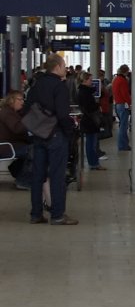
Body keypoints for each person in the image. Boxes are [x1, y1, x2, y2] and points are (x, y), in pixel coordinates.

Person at [25, 54, 77, 225]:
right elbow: (62, 114)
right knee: (57, 175)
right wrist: (70, 131)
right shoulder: (59, 86)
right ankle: (57, 215)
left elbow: (26, 108)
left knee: (37, 175)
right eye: (64, 65)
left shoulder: (37, 84)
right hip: (55, 135)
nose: (65, 68)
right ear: (57, 67)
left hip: (39, 134)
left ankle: (36, 214)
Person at [0, 90, 33, 189]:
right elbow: (17, 128)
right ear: (11, 100)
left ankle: (16, 170)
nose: (23, 102)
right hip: (7, 146)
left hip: (11, 144)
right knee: (34, 150)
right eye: (20, 99)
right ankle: (22, 180)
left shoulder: (10, 112)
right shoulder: (7, 113)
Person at [76, 71, 105, 171]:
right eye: (90, 80)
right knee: (91, 143)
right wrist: (97, 106)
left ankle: (94, 162)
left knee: (91, 142)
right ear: (85, 80)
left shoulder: (84, 91)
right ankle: (93, 163)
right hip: (90, 120)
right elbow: (89, 107)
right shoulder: (85, 93)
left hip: (88, 119)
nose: (92, 82)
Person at [112, 64, 131, 151]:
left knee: (122, 125)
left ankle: (124, 144)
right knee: (123, 126)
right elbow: (125, 94)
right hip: (123, 105)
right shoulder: (122, 80)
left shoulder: (115, 79)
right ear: (126, 71)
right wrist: (130, 103)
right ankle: (122, 145)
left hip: (117, 104)